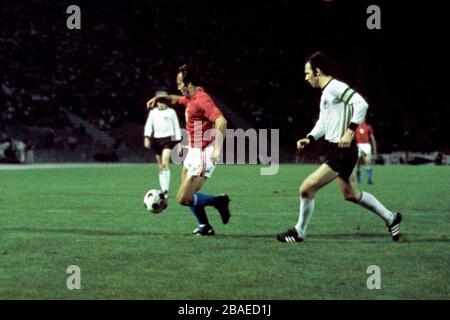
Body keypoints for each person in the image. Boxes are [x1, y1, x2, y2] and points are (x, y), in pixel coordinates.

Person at [276, 51, 402, 243]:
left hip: (342, 151)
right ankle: (391, 218)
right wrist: (309, 138)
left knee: (306, 189)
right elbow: (324, 123)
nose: (306, 77)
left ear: (317, 72)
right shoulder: (326, 93)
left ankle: (299, 232)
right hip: (337, 149)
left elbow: (361, 104)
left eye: (307, 73)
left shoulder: (335, 87)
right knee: (351, 194)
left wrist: (350, 131)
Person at [146, 64, 231, 236]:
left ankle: (218, 201)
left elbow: (222, 121)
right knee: (188, 194)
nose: (178, 87)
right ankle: (204, 227)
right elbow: (176, 99)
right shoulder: (192, 98)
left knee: (183, 198)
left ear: (189, 84)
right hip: (193, 151)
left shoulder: (202, 100)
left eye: (179, 84)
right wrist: (160, 99)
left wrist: (216, 149)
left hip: (203, 153)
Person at [144, 90, 182, 197]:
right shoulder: (153, 113)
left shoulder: (171, 112)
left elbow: (176, 127)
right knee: (160, 166)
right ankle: (163, 189)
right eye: (159, 101)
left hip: (168, 139)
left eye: (163, 101)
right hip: (157, 140)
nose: (161, 103)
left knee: (165, 163)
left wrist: (178, 143)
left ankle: (166, 191)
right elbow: (148, 126)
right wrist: (147, 137)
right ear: (156, 101)